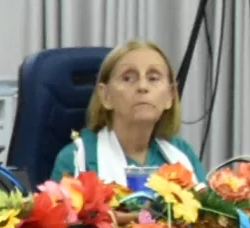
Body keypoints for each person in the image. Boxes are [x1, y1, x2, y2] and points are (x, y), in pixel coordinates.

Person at [55, 38, 197, 180]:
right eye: (128, 78)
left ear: (170, 96)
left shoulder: (182, 154)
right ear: (106, 96)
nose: (142, 86)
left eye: (153, 78)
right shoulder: (77, 160)